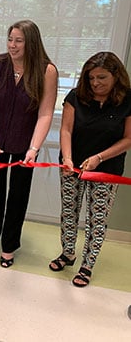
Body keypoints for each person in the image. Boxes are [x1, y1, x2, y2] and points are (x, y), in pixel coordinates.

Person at [48, 52, 131, 287]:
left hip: (107, 169)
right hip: (72, 165)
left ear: (116, 76)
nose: (95, 83)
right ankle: (68, 252)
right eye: (91, 78)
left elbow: (128, 139)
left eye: (102, 77)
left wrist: (99, 158)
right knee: (69, 211)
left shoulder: (128, 101)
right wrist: (67, 158)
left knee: (97, 218)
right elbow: (65, 130)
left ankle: (87, 265)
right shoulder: (76, 96)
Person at [0, 19, 58, 268]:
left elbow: (45, 113)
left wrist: (34, 148)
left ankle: (9, 245)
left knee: (18, 196)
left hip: (26, 146)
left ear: (31, 43)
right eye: (10, 39)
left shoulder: (47, 71)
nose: (12, 45)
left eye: (19, 41)